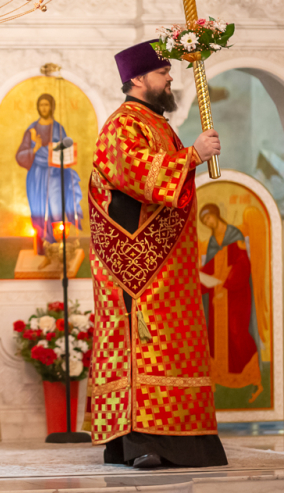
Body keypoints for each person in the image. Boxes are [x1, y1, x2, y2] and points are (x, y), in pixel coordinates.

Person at [83, 40, 227, 468]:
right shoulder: (123, 124)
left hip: (169, 265)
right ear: (138, 79)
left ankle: (177, 441)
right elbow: (134, 173)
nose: (170, 79)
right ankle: (141, 444)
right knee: (146, 348)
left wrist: (188, 155)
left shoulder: (157, 123)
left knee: (171, 348)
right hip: (139, 266)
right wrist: (192, 156)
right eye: (162, 73)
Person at [200, 204, 263, 402]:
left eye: (209, 218)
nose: (208, 222)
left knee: (237, 332)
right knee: (217, 337)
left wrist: (226, 286)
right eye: (204, 221)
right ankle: (218, 379)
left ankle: (253, 379)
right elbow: (210, 267)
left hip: (235, 294)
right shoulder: (212, 241)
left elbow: (243, 264)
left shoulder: (234, 235)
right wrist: (199, 276)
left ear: (216, 215)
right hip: (217, 299)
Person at [15, 93, 83, 254]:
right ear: (38, 107)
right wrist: (36, 148)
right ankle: (42, 249)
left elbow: (66, 151)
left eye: (47, 104)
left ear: (52, 107)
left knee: (56, 209)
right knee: (39, 211)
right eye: (41, 105)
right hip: (37, 176)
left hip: (54, 176)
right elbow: (20, 156)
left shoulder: (58, 128)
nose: (44, 108)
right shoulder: (31, 130)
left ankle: (59, 249)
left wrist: (63, 156)